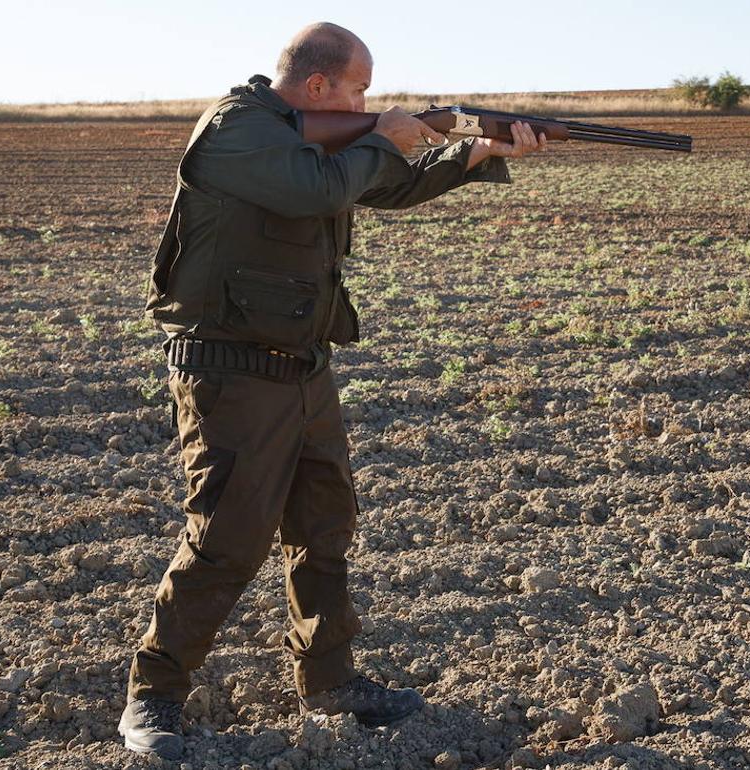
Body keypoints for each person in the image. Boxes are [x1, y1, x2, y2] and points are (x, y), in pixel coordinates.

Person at [120, 22, 548, 760]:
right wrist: (386, 133)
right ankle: (153, 694)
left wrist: (477, 149)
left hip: (303, 366)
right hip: (230, 367)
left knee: (323, 527)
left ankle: (330, 680)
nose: (369, 103)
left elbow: (391, 183)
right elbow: (316, 187)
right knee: (226, 538)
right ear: (319, 87)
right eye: (360, 90)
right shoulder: (238, 130)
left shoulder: (319, 136)